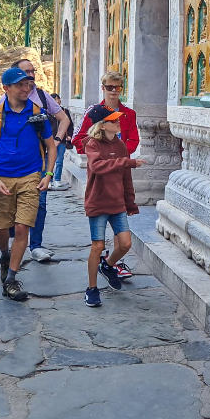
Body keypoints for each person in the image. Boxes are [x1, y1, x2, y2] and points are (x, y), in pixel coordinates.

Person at [0, 68, 57, 301]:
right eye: (20, 85)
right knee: (1, 228)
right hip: (2, 177)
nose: (26, 89)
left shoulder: (38, 113)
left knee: (22, 227)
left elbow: (51, 146)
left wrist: (47, 174)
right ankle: (5, 255)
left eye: (28, 85)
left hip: (30, 177)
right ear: (7, 88)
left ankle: (11, 279)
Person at [2, 59, 71, 262]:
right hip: (13, 165)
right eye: (25, 72)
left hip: (39, 162)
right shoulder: (4, 102)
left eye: (32, 71)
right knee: (12, 205)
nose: (30, 76)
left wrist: (56, 141)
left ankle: (36, 245)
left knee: (40, 202)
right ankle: (15, 241)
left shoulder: (41, 96)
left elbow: (64, 118)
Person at [74, 71, 139, 279]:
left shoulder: (129, 114)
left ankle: (113, 262)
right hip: (101, 174)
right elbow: (79, 138)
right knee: (100, 235)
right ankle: (101, 273)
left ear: (122, 89)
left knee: (121, 228)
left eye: (117, 87)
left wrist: (119, 151)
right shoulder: (94, 112)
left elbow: (133, 139)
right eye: (109, 87)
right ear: (103, 88)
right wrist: (101, 150)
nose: (113, 91)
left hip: (121, 170)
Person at [82, 105, 145, 307]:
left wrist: (130, 202)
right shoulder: (92, 144)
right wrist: (127, 162)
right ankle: (92, 289)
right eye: (113, 120)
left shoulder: (120, 145)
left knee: (125, 244)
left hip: (117, 203)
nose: (118, 122)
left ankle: (108, 266)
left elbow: (126, 178)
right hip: (98, 203)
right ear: (102, 125)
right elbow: (97, 167)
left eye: (118, 119)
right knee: (98, 246)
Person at [48, 93, 73, 191]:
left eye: (58, 99)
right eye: (55, 99)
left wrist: (69, 135)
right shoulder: (47, 112)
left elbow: (70, 124)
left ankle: (57, 179)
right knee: (50, 161)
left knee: (59, 160)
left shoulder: (65, 111)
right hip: (50, 141)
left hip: (62, 140)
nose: (57, 101)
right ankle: (49, 180)